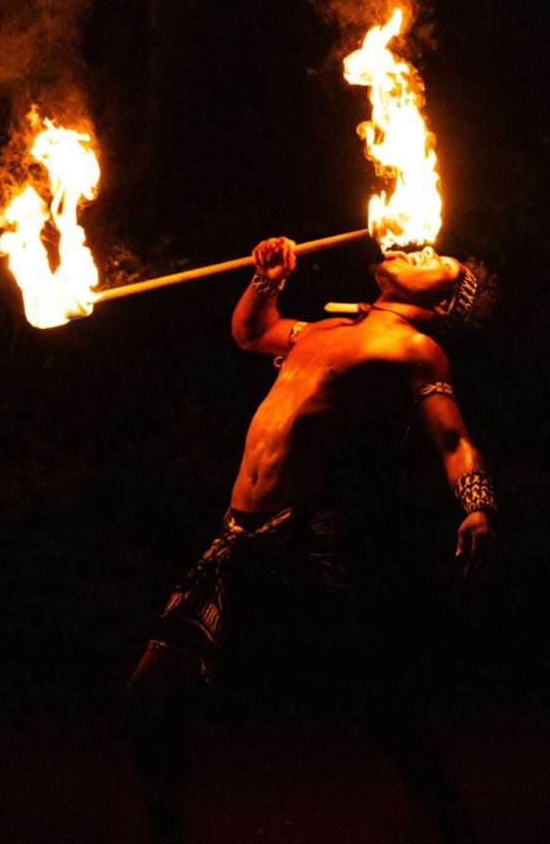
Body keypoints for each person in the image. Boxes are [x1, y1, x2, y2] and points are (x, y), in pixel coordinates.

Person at [126, 236, 499, 844]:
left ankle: (460, 834)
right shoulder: (323, 329)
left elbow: (454, 442)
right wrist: (268, 278)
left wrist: (477, 508)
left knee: (382, 709)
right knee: (150, 696)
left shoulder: (415, 348)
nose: (417, 251)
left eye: (436, 263)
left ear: (449, 303)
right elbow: (251, 332)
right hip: (235, 540)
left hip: (307, 544)